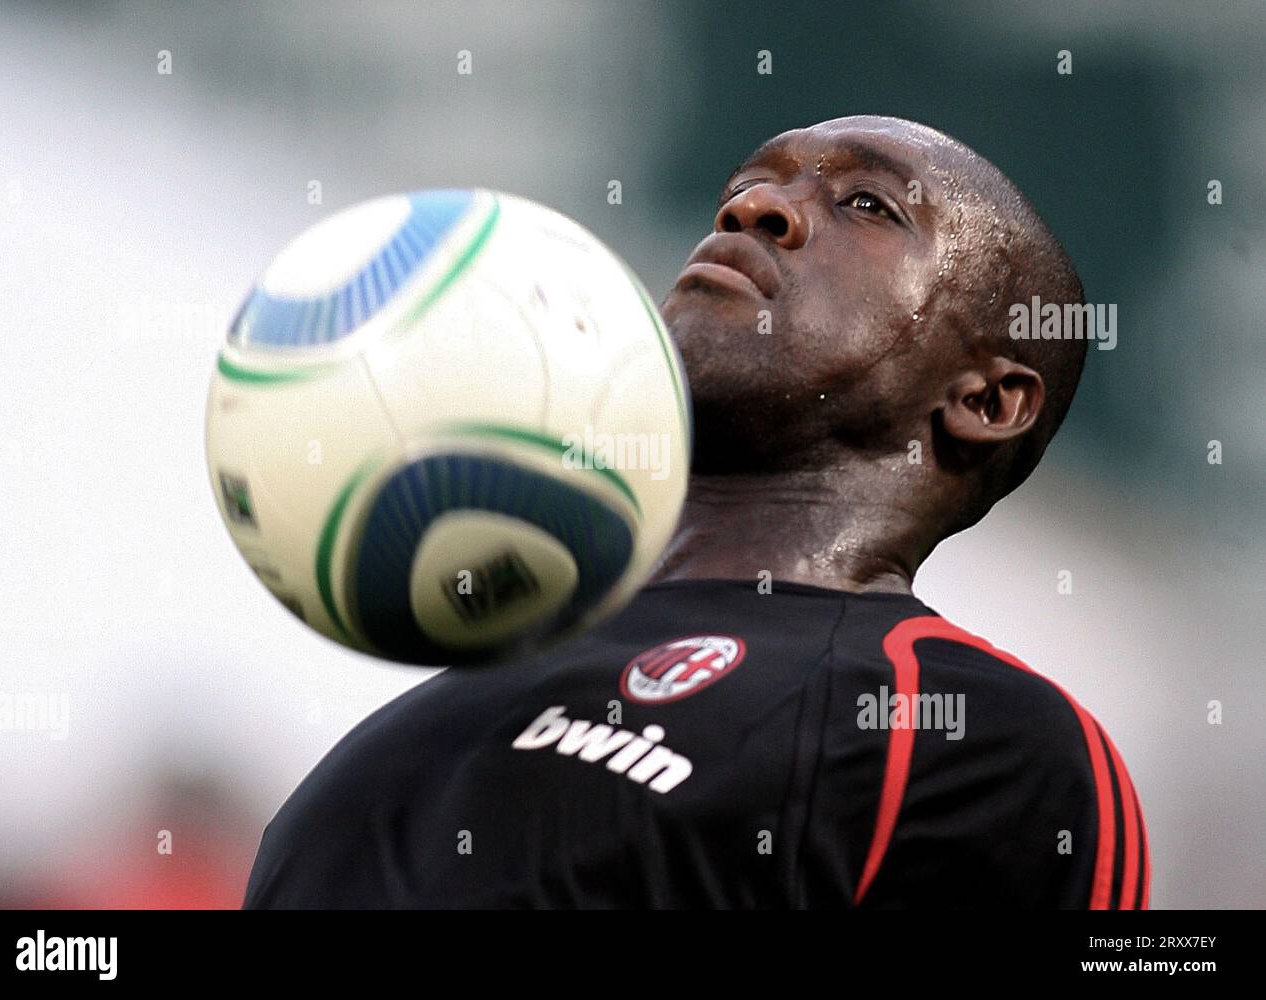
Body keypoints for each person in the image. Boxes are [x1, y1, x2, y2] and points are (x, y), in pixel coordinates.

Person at [245, 115, 1148, 909]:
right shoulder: (495, 652)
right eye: (747, 185)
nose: (753, 211)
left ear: (986, 401)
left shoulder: (972, 733)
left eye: (868, 204)